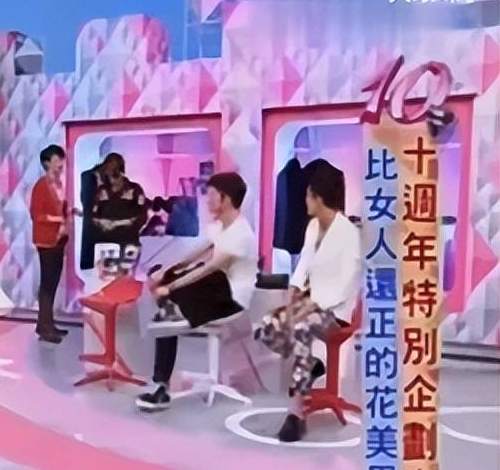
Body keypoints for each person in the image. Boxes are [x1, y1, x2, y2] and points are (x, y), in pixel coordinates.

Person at [255, 159, 361, 442]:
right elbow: (303, 266)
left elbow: (344, 286)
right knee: (267, 325)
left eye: (307, 195)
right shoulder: (313, 227)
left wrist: (305, 310)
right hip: (309, 300)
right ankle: (309, 366)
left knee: (301, 329)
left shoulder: (349, 234)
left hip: (336, 310)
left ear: (318, 197)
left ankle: (295, 414)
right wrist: (292, 299)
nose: (304, 200)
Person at [136, 172, 258, 412]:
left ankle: (173, 308)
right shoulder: (219, 227)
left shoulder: (242, 234)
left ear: (225, 199)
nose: (207, 200)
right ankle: (161, 383)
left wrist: (170, 287)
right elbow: (196, 254)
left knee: (205, 278)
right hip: (211, 292)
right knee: (165, 277)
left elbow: (209, 269)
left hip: (229, 298)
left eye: (211, 195)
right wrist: (167, 272)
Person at [30, 145, 73, 344]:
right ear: (47, 163)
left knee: (53, 282)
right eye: (57, 160)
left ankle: (46, 323)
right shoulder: (41, 186)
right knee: (47, 283)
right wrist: (58, 219)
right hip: (46, 240)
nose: (61, 164)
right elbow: (37, 214)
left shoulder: (58, 184)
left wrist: (69, 213)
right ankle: (45, 327)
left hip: (58, 239)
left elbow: (59, 208)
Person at [91, 153, 147, 252]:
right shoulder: (101, 191)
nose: (110, 176)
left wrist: (119, 224)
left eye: (113, 171)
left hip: (128, 244)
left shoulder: (135, 190)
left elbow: (142, 216)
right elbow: (94, 215)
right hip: (104, 244)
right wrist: (101, 223)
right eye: (108, 172)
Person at [79, 152, 124, 270]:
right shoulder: (88, 176)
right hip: (92, 218)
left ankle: (109, 267)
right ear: (108, 164)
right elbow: (86, 200)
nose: (113, 172)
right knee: (89, 247)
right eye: (113, 169)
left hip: (105, 218)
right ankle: (89, 267)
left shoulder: (108, 180)